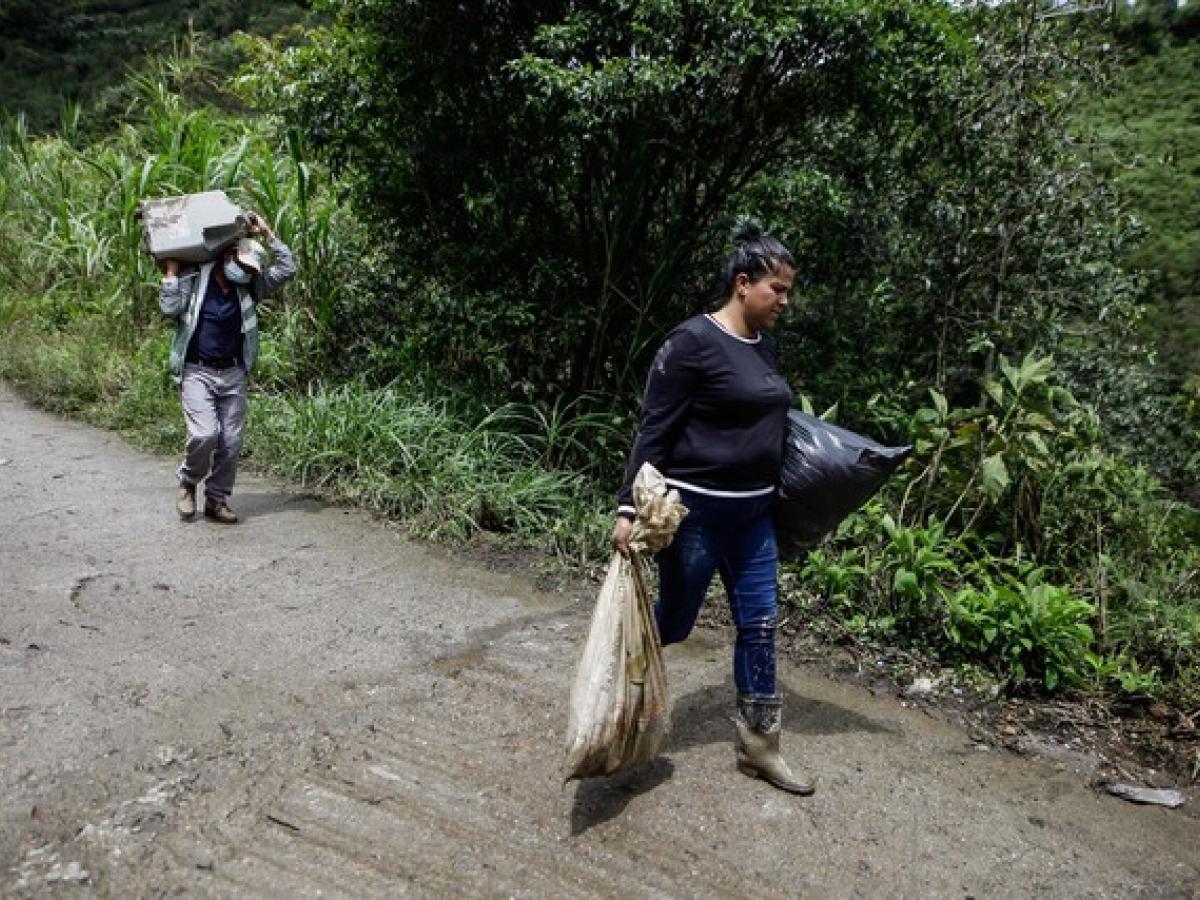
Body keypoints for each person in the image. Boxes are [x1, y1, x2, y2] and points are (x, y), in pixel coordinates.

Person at [611, 224, 813, 795]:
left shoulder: (763, 347)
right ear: (743, 284)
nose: (784, 301)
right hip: (696, 516)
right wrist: (628, 508)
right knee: (673, 622)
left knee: (760, 626)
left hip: (753, 519)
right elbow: (655, 430)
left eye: (788, 290)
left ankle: (760, 748)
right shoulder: (690, 343)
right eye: (778, 288)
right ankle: (617, 708)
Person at [158, 211, 297, 523]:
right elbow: (170, 309)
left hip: (233, 373)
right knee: (205, 434)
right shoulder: (195, 278)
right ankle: (188, 482)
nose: (244, 272)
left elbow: (288, 268)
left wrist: (267, 233)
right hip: (197, 371)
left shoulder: (250, 286)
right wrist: (170, 274)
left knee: (231, 441)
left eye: (250, 270)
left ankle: (216, 499)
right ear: (228, 256)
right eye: (242, 265)